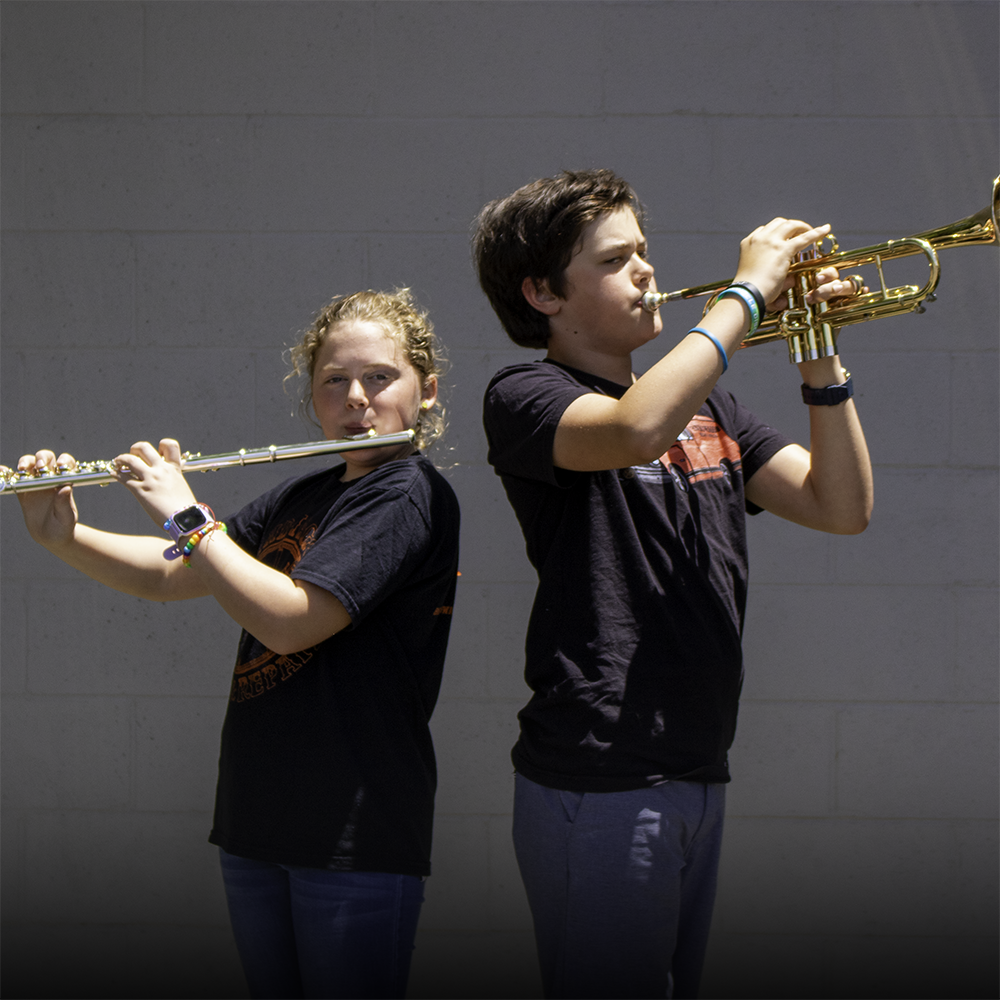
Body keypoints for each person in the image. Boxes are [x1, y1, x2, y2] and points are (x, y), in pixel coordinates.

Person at [473, 169, 872, 999]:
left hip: (696, 764)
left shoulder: (712, 409)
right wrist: (749, 293)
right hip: (601, 771)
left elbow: (840, 507)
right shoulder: (527, 396)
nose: (648, 270)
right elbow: (631, 428)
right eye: (617, 260)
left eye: (644, 251)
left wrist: (817, 345)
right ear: (542, 293)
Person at [7, 288, 460, 1000]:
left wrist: (185, 512)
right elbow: (173, 577)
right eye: (334, 381)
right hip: (259, 822)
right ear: (312, 396)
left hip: (351, 838)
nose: (357, 399)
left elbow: (290, 620)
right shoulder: (303, 494)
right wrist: (64, 536)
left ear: (426, 390)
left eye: (380, 377)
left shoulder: (406, 494)